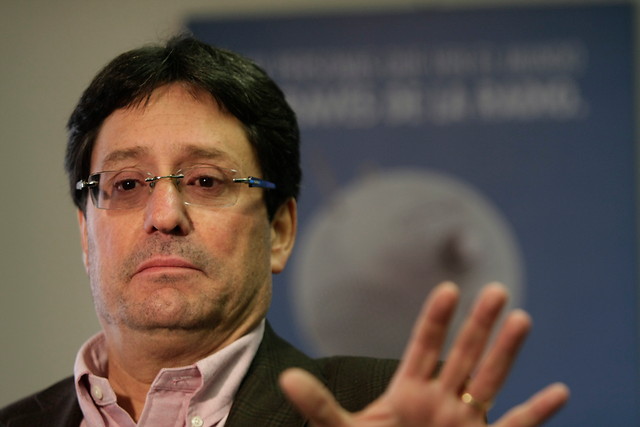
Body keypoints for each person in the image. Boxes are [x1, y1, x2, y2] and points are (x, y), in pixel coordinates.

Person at [0, 35, 569, 427]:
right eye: (126, 184)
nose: (164, 213)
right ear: (86, 233)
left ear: (280, 230)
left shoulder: (384, 407)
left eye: (205, 180)